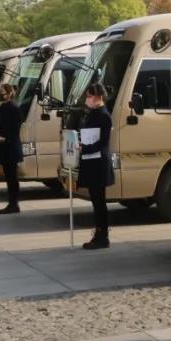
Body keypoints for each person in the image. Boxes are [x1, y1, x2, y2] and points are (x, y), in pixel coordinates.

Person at [78, 83, 114, 249]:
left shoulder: (104, 116)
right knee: (95, 200)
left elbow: (103, 142)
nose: (87, 99)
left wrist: (85, 147)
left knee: (99, 202)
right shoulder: (92, 113)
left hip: (98, 163)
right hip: (91, 160)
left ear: (98, 97)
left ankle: (102, 236)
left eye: (89, 96)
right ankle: (99, 234)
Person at [0, 83, 23, 214]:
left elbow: (15, 129)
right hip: (4, 146)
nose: (1, 94)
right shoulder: (3, 107)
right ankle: (12, 203)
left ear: (10, 93)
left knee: (12, 177)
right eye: (0, 92)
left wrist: (4, 138)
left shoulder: (13, 108)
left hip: (10, 146)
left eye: (3, 92)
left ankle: (13, 204)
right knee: (9, 176)